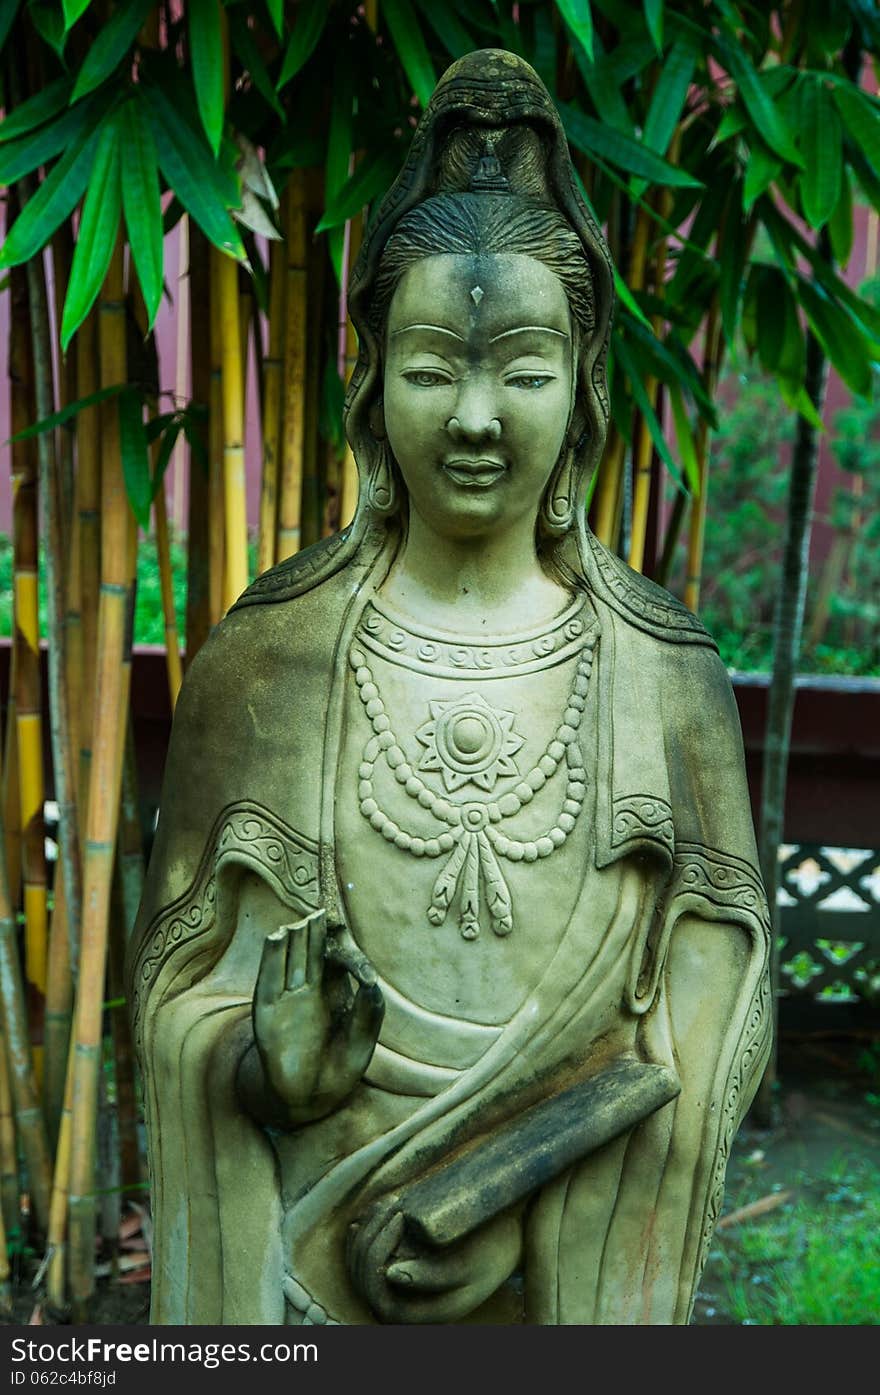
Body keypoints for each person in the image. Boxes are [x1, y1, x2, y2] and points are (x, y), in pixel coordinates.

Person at [128, 49, 771, 1326]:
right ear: (369, 381)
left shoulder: (662, 673)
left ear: (583, 382)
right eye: (432, 367)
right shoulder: (271, 659)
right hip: (306, 1267)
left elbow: (708, 1023)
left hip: (565, 1267)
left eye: (521, 369)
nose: (476, 417)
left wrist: (523, 1209)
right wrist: (266, 1068)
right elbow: (179, 999)